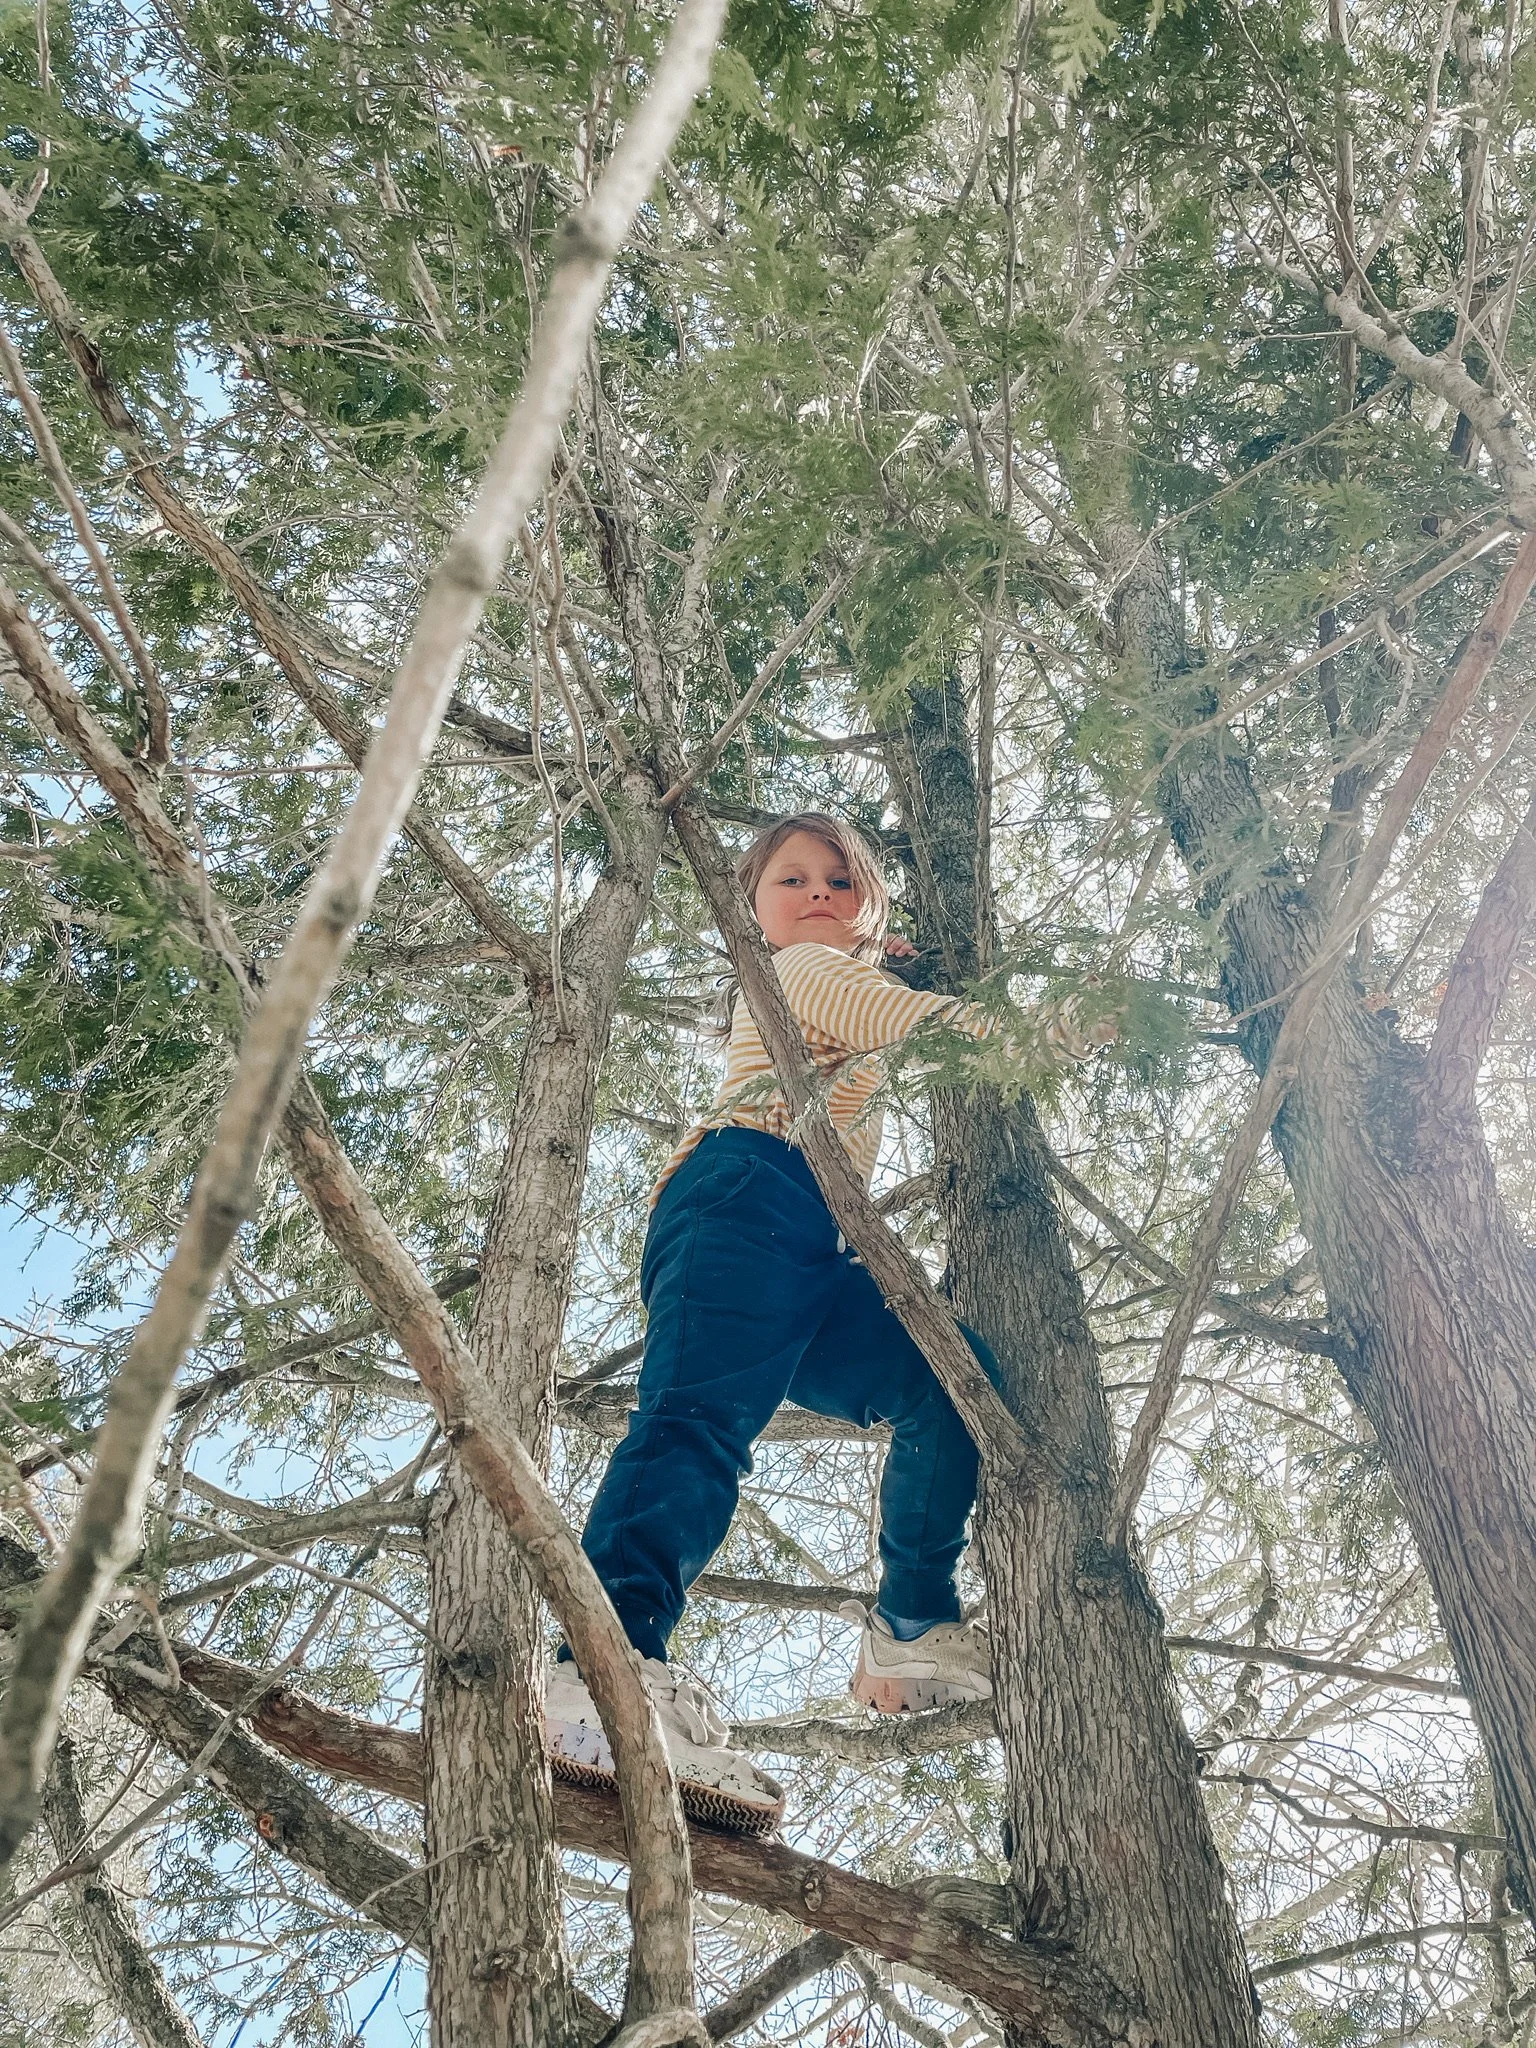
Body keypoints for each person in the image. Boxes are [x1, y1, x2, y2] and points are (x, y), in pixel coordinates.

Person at [544, 812, 1113, 1833]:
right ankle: (598, 1666)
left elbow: (881, 998)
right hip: (743, 1192)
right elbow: (922, 1026)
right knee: (695, 1428)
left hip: (812, 1237)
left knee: (947, 1382)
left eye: (841, 882)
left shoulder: (839, 974)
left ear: (870, 907)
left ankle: (910, 1617)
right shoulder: (800, 969)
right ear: (753, 913)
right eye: (791, 879)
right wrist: (1057, 1025)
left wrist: (890, 953)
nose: (816, 894)